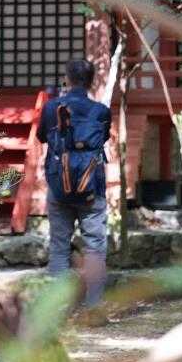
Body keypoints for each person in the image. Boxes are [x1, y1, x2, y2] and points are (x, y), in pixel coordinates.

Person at [40, 58, 111, 307]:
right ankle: (94, 306)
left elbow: (41, 137)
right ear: (91, 81)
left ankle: (57, 308)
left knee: (59, 246)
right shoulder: (101, 111)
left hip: (59, 185)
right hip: (92, 186)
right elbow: (104, 138)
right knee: (95, 246)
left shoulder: (52, 108)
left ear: (67, 79)